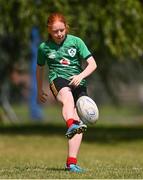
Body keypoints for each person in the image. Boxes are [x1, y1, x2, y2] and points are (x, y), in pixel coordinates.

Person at [36, 12, 97, 173]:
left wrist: (81, 75)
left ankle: (71, 163)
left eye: (61, 30)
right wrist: (39, 89)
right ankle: (71, 125)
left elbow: (92, 64)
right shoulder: (44, 48)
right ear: (49, 30)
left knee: (80, 125)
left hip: (78, 82)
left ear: (66, 27)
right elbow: (39, 68)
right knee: (68, 99)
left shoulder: (76, 42)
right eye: (55, 31)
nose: (59, 34)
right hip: (58, 80)